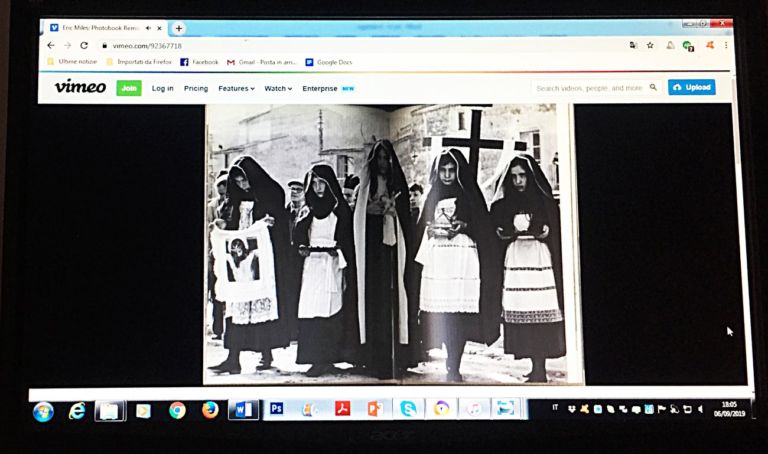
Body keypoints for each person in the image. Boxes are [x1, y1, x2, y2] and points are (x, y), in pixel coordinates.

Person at [414, 148, 501, 382]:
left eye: (452, 170)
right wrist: (430, 229)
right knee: (441, 313)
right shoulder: (432, 194)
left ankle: (454, 366)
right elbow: (422, 226)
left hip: (462, 260)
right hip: (438, 260)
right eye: (443, 170)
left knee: (458, 316)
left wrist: (464, 226)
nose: (447, 174)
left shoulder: (468, 194)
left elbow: (482, 226)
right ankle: (444, 359)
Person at [208, 156, 293, 375]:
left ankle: (266, 353)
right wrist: (223, 225)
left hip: (261, 262)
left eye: (244, 181)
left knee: (260, 305)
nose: (242, 186)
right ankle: (232, 358)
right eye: (237, 182)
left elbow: (281, 226)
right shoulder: (235, 199)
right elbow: (233, 222)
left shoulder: (272, 193)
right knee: (236, 307)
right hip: (240, 263)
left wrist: (268, 225)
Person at [489, 154, 565, 383]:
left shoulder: (544, 202)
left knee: (541, 314)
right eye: (513, 177)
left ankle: (540, 367)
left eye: (522, 176)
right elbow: (497, 227)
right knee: (523, 313)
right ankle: (534, 365)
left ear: (531, 177)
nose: (518, 181)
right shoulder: (504, 204)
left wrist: (546, 233)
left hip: (539, 261)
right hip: (516, 260)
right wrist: (503, 233)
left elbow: (553, 226)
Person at [353, 139, 416, 379]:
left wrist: (392, 209)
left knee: (395, 301)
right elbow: (359, 216)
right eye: (378, 158)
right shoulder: (365, 186)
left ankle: (399, 357)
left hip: (393, 250)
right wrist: (375, 210)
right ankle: (375, 358)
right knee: (375, 303)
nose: (382, 163)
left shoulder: (397, 183)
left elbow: (405, 219)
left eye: (385, 158)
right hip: (373, 252)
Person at [293, 164, 359, 377]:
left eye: (322, 183)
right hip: (311, 267)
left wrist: (338, 252)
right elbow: (298, 237)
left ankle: (329, 358)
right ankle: (314, 359)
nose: (318, 188)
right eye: (314, 183)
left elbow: (348, 243)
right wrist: (301, 248)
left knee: (330, 310)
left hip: (332, 267)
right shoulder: (308, 209)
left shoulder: (340, 210)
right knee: (311, 310)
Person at [208, 171, 228, 340]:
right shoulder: (211, 207)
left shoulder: (233, 205)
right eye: (220, 192)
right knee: (216, 293)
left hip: (230, 254)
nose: (222, 195)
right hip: (215, 254)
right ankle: (217, 329)